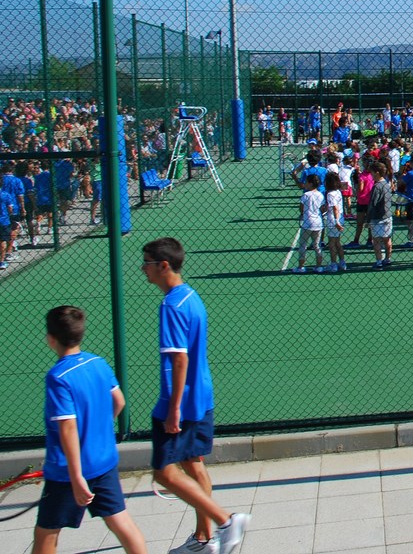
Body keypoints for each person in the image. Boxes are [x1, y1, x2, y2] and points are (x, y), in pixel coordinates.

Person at [141, 237, 251, 554]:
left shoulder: (171, 306)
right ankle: (203, 540)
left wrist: (174, 408)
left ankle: (226, 521)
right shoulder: (191, 296)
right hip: (200, 397)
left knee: (164, 472)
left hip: (181, 403)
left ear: (164, 265)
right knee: (193, 463)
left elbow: (179, 359)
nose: (143, 269)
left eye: (147, 263)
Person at [34, 305, 147, 554]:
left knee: (47, 534)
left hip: (67, 473)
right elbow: (119, 401)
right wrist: (98, 433)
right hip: (103, 462)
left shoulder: (58, 377)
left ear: (51, 339)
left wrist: (76, 477)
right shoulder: (98, 363)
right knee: (121, 522)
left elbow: (68, 428)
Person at [294, 174, 325, 273]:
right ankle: (319, 266)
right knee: (317, 245)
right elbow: (322, 208)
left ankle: (301, 266)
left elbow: (301, 208)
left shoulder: (306, 195)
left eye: (306, 182)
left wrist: (304, 213)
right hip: (318, 223)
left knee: (303, 244)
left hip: (308, 223)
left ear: (311, 184)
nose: (305, 184)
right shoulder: (320, 195)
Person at [366, 162, 394, 269]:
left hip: (377, 218)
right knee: (387, 239)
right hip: (388, 216)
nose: (371, 175)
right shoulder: (387, 184)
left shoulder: (377, 186)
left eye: (372, 173)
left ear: (377, 173)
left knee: (376, 240)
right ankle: (388, 259)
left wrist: (368, 219)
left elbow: (372, 203)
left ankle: (379, 261)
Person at [323, 171, 346, 273]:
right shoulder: (338, 192)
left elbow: (335, 208)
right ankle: (342, 262)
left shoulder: (330, 194)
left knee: (332, 243)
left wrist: (336, 222)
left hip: (333, 221)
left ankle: (333, 264)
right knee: (337, 242)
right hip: (340, 218)